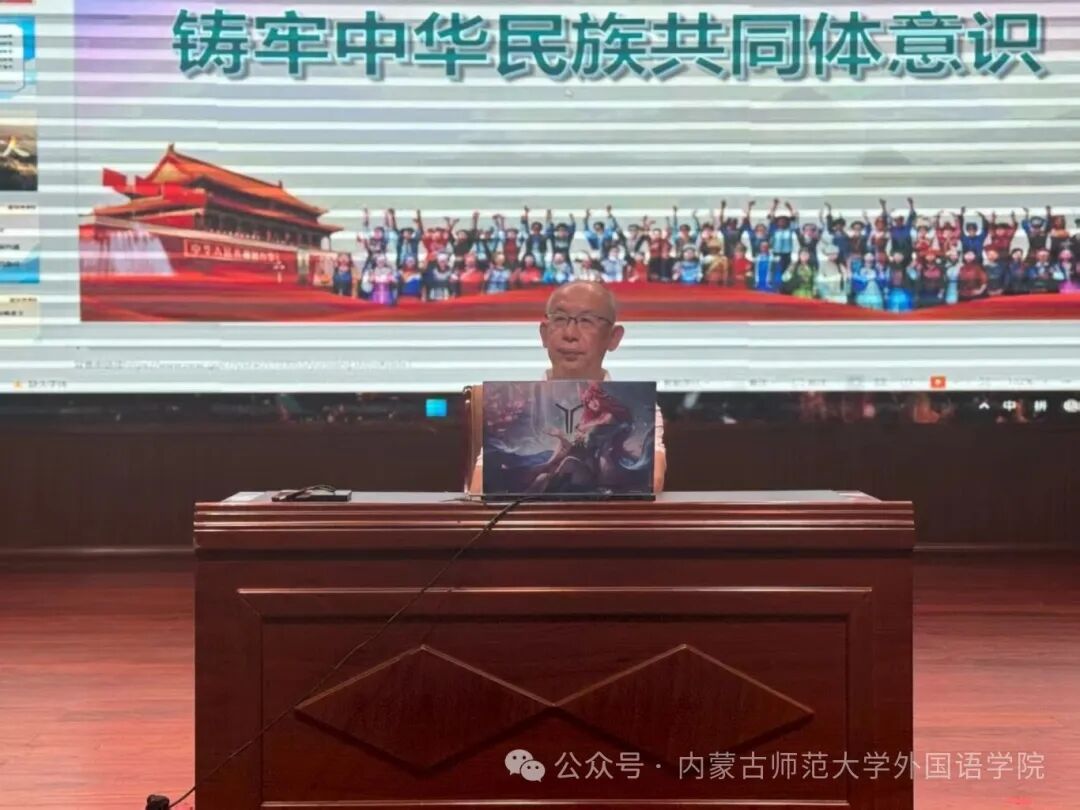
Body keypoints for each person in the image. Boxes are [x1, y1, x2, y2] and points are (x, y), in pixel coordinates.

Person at [468, 281, 667, 494]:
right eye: (560, 319)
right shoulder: (516, 408)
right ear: (544, 334)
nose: (570, 334)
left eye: (586, 321)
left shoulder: (632, 410)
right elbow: (478, 490)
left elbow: (653, 482)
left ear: (613, 338)